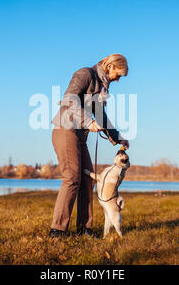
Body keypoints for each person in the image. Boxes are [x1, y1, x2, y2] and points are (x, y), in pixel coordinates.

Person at [49, 53, 129, 237]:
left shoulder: (101, 86)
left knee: (87, 179)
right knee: (72, 178)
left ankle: (84, 228)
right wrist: (88, 121)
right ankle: (57, 230)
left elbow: (100, 115)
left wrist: (117, 138)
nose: (117, 80)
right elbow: (70, 99)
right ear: (110, 66)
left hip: (79, 135)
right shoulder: (85, 74)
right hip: (65, 130)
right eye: (119, 75)